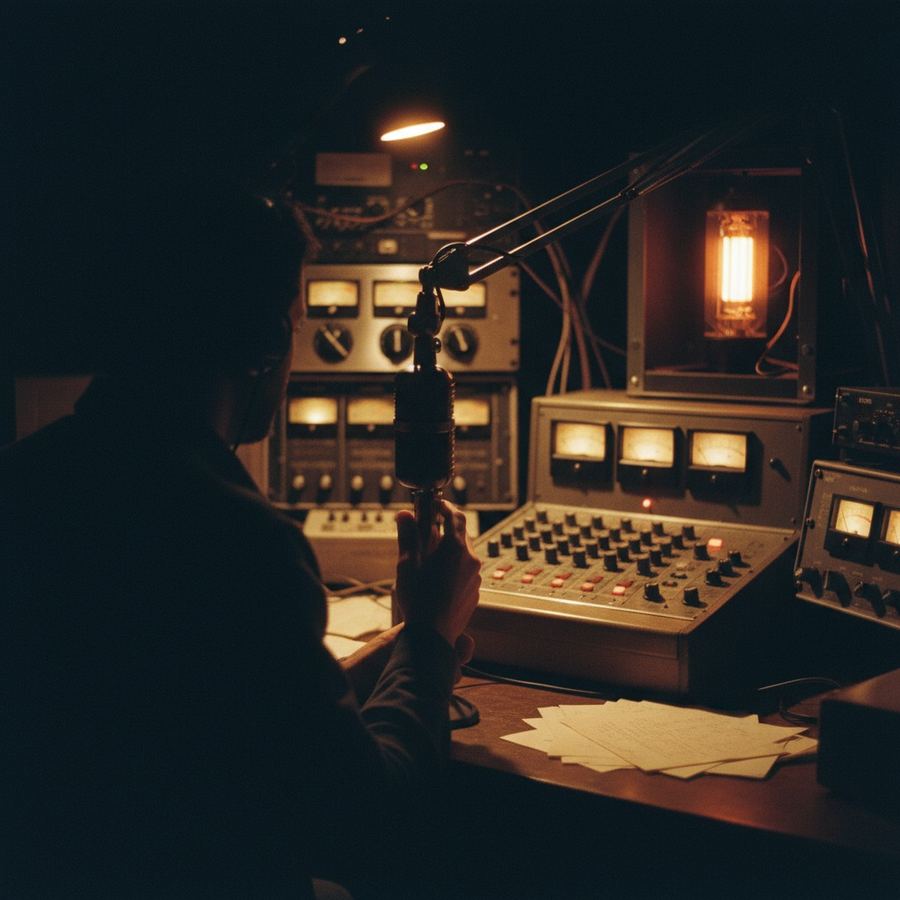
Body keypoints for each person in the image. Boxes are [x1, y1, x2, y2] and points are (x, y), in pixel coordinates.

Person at [0, 182, 481, 898]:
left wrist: (379, 664)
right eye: (293, 320)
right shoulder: (244, 546)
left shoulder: (23, 483)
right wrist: (429, 638)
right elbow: (367, 822)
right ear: (265, 343)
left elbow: (213, 709)